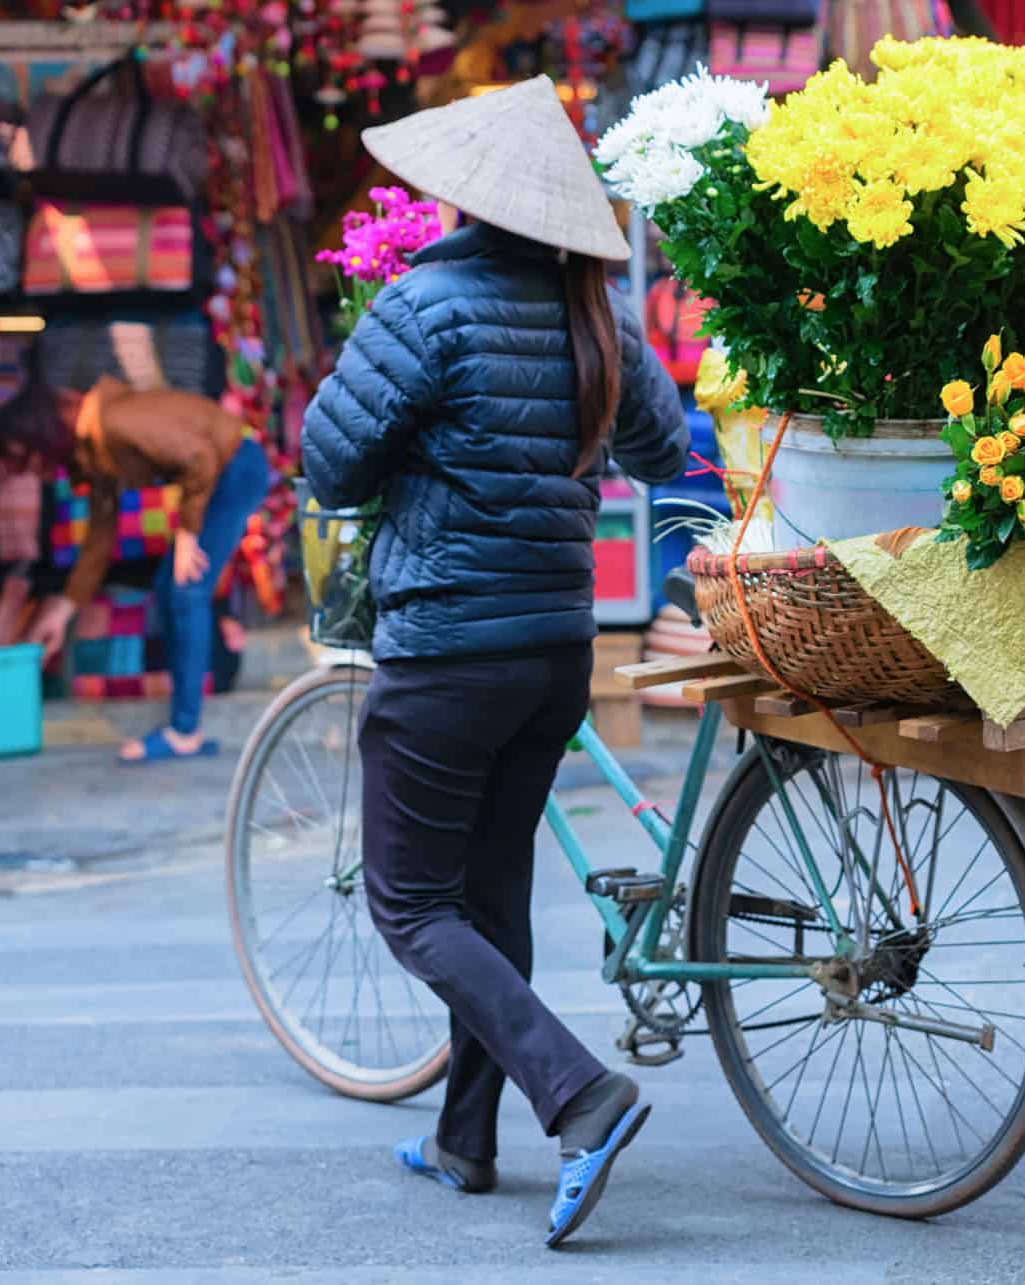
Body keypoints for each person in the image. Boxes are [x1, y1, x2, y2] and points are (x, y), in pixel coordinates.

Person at [299, 77, 689, 1248]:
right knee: (489, 897)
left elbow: (329, 466)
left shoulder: (423, 307)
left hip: (448, 649)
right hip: (554, 652)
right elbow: (661, 446)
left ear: (461, 195)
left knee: (410, 904)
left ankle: (580, 1093)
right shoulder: (595, 308)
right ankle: (468, 1140)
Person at [8, 376, 268, 763]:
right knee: (169, 589)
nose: (37, 471)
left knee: (186, 590)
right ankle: (186, 725)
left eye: (31, 456)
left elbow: (199, 457)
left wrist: (187, 533)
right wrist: (63, 610)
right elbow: (101, 534)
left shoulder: (113, 423)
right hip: (221, 475)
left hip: (234, 470)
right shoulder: (94, 445)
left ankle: (185, 731)